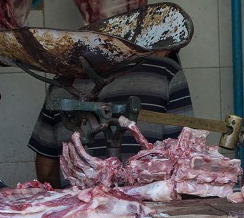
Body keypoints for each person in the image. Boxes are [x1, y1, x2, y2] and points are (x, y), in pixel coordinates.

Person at [28, 51, 192, 186]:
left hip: (82, 209)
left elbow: (46, 171)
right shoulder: (166, 72)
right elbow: (184, 158)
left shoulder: (63, 81)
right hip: (149, 208)